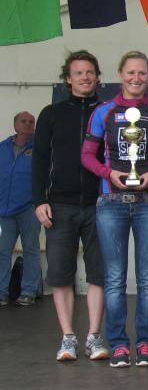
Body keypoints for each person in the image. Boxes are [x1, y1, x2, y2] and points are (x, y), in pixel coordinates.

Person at [81, 51, 148, 367]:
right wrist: (108, 174)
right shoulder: (103, 111)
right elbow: (87, 155)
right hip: (111, 203)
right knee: (114, 278)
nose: (137, 78)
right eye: (131, 72)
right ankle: (119, 344)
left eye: (142, 73)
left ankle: (146, 344)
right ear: (120, 74)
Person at [32, 51, 109, 361]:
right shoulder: (51, 113)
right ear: (68, 79)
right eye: (79, 73)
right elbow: (39, 160)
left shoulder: (108, 112)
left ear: (97, 77)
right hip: (59, 205)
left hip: (101, 204)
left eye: (90, 72)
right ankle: (67, 338)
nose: (85, 77)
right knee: (60, 274)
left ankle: (94, 336)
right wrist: (39, 200)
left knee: (99, 273)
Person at [0, 112, 41, 306]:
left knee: (31, 250)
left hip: (29, 209)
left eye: (31, 122)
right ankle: (1, 292)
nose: (28, 124)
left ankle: (29, 292)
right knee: (2, 251)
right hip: (4, 211)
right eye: (23, 121)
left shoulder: (40, 149)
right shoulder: (2, 148)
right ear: (15, 125)